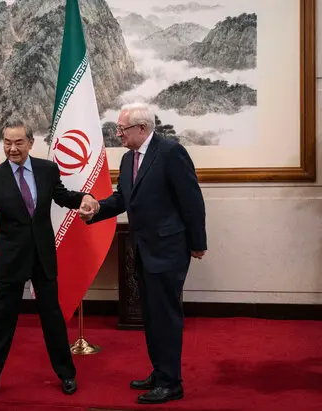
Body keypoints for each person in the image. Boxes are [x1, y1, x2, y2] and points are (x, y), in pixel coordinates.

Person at [81, 102, 207, 405]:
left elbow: (192, 200)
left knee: (165, 316)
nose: (118, 134)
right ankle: (160, 371)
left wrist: (198, 242)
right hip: (143, 249)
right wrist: (96, 208)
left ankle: (171, 382)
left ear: (142, 128)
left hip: (168, 249)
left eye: (122, 129)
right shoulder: (128, 160)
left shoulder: (170, 153)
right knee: (150, 316)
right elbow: (123, 199)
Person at [0, 118, 99, 400]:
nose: (12, 148)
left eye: (18, 142)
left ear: (30, 143)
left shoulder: (47, 170)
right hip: (10, 259)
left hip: (42, 255)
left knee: (53, 318)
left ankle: (66, 374)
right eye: (7, 142)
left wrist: (85, 199)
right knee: (1, 322)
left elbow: (63, 197)